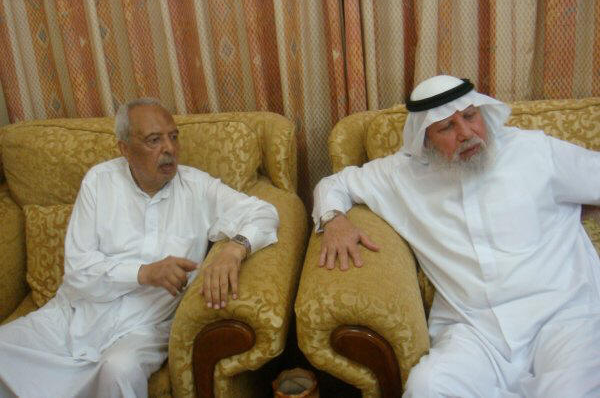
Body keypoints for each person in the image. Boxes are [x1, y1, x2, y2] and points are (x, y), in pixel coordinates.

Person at [313, 75, 600, 397]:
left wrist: (573, 210)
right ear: (425, 138)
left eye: (470, 116)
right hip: (475, 328)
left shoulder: (534, 151)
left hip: (562, 316)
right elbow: (334, 184)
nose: (465, 133)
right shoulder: (401, 176)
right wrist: (334, 220)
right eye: (446, 127)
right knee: (428, 387)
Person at [0, 98, 279, 398]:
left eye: (173, 137)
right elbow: (79, 271)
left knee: (119, 371)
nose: (169, 148)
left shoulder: (197, 188)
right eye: (154, 140)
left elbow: (265, 212)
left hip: (144, 326)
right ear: (124, 149)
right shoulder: (99, 182)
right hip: (74, 314)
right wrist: (144, 273)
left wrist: (234, 250)